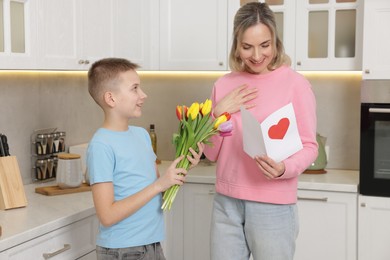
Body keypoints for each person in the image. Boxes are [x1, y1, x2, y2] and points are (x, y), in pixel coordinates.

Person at [203, 3, 318, 260]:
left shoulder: (296, 85)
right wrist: (218, 112)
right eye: (247, 47)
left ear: (276, 42)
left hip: (273, 204)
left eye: (264, 45)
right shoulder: (223, 85)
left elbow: (310, 145)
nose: (256, 55)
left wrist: (283, 168)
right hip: (226, 202)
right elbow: (210, 154)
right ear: (236, 46)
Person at [86, 58, 204, 260]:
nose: (143, 95)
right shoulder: (101, 145)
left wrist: (184, 166)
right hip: (122, 250)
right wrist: (159, 185)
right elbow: (107, 215)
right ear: (111, 99)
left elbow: (157, 189)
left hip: (151, 245)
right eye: (134, 89)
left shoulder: (141, 135)